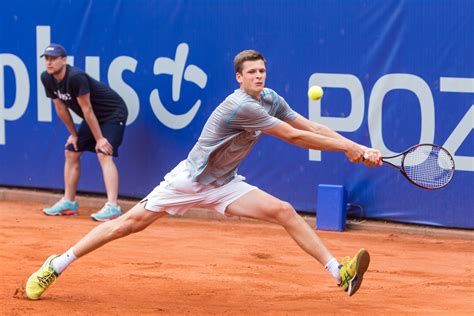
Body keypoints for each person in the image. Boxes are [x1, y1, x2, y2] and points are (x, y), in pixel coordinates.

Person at [25, 49, 382, 300]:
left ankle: (340, 272)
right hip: (189, 181)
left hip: (224, 185)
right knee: (127, 225)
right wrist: (347, 150)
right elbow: (294, 136)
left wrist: (357, 146)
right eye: (252, 72)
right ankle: (56, 264)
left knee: (284, 210)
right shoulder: (240, 106)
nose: (259, 76)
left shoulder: (270, 98)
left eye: (262, 71)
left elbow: (309, 124)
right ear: (239, 78)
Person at [39, 44, 128, 222]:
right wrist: (74, 134)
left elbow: (87, 110)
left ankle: (113, 207)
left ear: (64, 60)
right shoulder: (46, 78)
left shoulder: (75, 77)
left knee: (104, 152)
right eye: (47, 59)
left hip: (112, 113)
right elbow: (60, 109)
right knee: (71, 150)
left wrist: (100, 139)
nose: (49, 63)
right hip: (93, 117)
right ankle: (69, 203)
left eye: (53, 58)